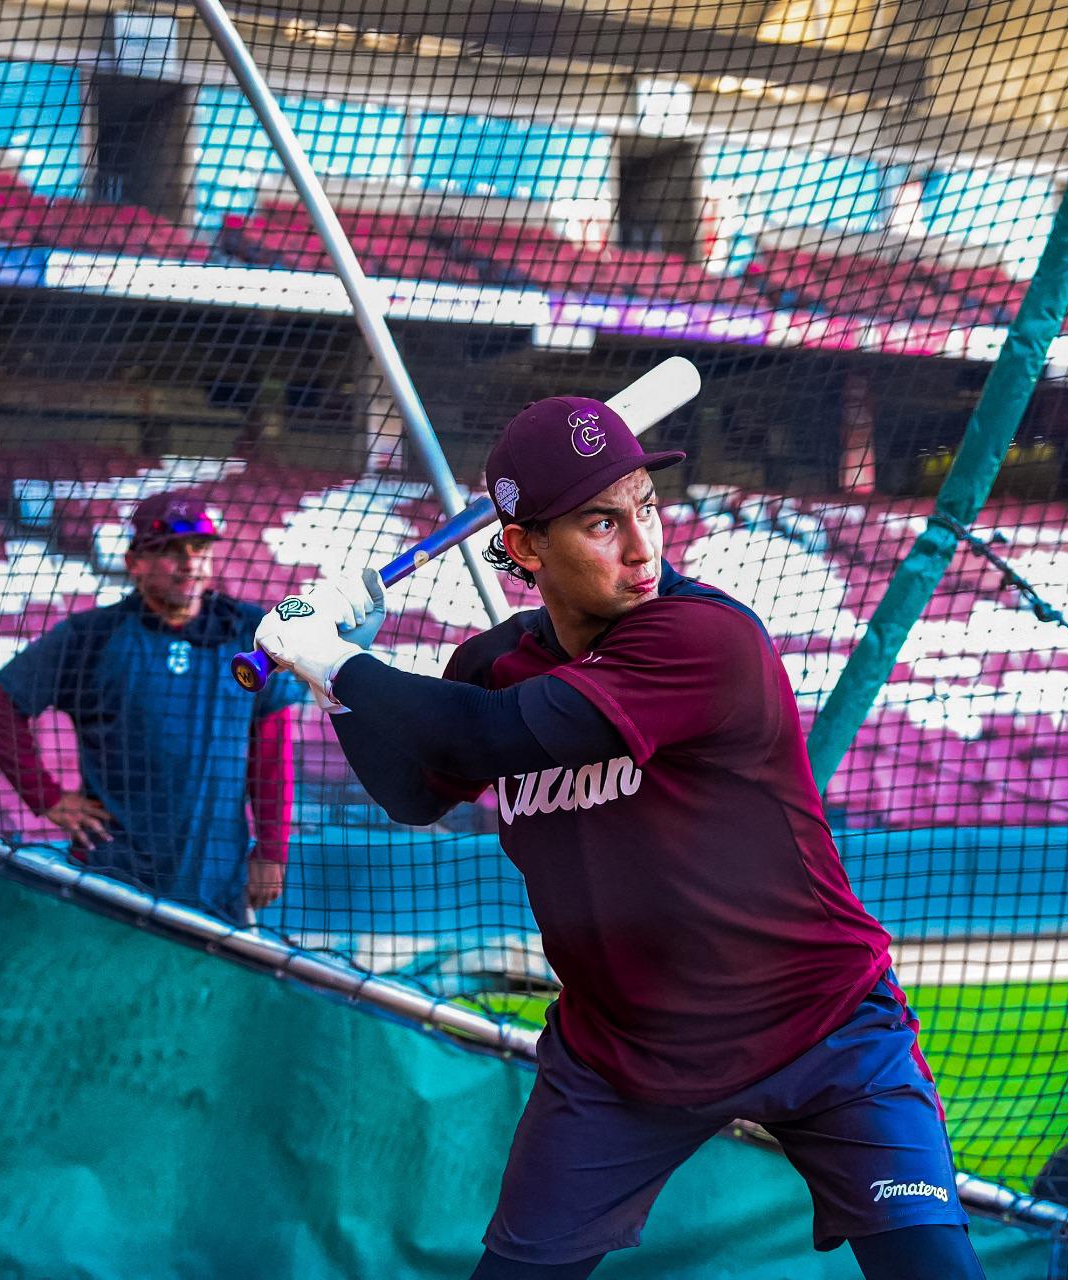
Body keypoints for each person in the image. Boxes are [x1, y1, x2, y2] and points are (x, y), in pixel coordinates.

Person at [253, 396, 985, 1280]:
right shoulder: (493, 666)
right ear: (524, 547)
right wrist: (334, 685)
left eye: (646, 507)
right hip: (623, 1056)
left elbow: (485, 737)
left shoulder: (703, 638)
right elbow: (414, 793)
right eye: (603, 523)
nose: (644, 548)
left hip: (822, 1028)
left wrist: (332, 658)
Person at [0, 490, 303, 924]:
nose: (190, 562)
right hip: (111, 878)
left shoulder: (248, 631)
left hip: (218, 882)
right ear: (135, 563)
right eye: (170, 550)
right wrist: (46, 797)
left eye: (199, 548)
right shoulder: (93, 635)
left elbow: (272, 752)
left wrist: (272, 851)